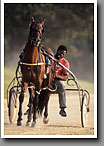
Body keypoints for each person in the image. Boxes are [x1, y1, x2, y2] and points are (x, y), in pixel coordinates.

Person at [55, 45, 69, 117]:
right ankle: (30, 106)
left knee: (62, 85)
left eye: (63, 54)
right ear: (57, 51)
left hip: (57, 81)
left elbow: (65, 77)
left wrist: (56, 76)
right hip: (46, 79)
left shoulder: (65, 62)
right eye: (60, 52)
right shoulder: (50, 58)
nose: (61, 55)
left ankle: (62, 108)